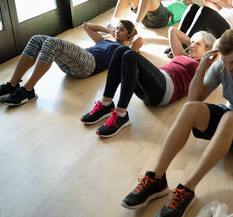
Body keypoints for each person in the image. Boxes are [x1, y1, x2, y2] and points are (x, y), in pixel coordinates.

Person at [120, 29, 233, 217]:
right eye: (225, 62)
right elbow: (194, 99)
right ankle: (157, 178)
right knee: (189, 109)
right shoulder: (223, 65)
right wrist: (201, 69)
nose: (229, 68)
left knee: (230, 117)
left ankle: (186, 189)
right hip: (228, 118)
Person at [80, 30, 216, 138]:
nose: (192, 45)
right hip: (152, 85)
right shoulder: (181, 55)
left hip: (165, 90)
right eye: (191, 43)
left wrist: (206, 52)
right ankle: (106, 104)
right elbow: (173, 31)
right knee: (120, 50)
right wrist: (195, 42)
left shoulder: (203, 67)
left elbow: (218, 50)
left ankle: (121, 115)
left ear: (208, 49)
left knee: (130, 56)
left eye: (197, 44)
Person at [0, 21, 142, 106]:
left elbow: (138, 44)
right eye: (118, 28)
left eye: (122, 30)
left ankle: (28, 90)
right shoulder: (103, 40)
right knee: (37, 39)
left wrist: (132, 39)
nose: (118, 31)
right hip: (76, 62)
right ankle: (12, 85)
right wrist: (110, 31)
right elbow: (87, 25)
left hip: (89, 64)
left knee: (52, 42)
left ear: (129, 34)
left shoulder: (124, 50)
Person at [164, 0, 233, 58]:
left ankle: (185, 45)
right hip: (213, 28)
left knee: (205, 10)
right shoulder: (222, 9)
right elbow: (206, 0)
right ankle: (178, 41)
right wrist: (224, 0)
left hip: (224, 32)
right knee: (193, 7)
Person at [107, 0, 193, 29]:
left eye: (188, 0)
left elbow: (199, 13)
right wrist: (183, 1)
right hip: (145, 15)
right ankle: (113, 24)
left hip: (162, 18)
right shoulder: (178, 2)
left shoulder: (188, 9)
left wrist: (190, 4)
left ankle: (133, 29)